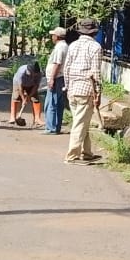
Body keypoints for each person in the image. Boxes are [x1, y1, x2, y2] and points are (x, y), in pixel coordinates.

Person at [62, 18, 103, 164]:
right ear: (94, 33)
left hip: (72, 89)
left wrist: (67, 87)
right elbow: (96, 73)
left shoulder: (73, 45)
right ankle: (72, 155)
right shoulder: (95, 47)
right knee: (79, 124)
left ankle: (87, 152)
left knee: (81, 121)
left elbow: (66, 68)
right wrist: (98, 93)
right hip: (86, 90)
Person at [42, 26, 68, 134]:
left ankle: (51, 128)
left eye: (53, 35)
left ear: (56, 36)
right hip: (60, 78)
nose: (52, 37)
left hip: (57, 78)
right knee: (58, 103)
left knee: (51, 103)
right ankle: (56, 126)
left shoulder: (59, 48)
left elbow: (57, 64)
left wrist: (51, 79)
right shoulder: (64, 46)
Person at [8, 60, 44, 127]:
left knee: (35, 99)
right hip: (18, 83)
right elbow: (20, 87)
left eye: (35, 74)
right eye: (33, 73)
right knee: (16, 97)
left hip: (32, 85)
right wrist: (23, 98)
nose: (34, 75)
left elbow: (36, 86)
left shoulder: (39, 73)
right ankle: (12, 117)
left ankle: (37, 119)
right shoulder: (22, 72)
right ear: (29, 71)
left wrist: (29, 96)